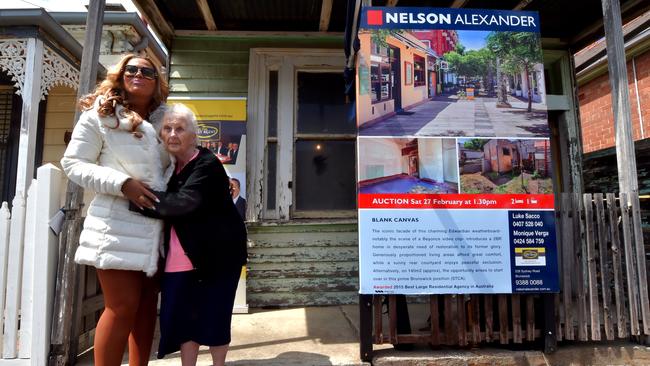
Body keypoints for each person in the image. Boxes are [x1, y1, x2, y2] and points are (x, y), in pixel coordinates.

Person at [61, 54, 170, 366]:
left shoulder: (166, 119)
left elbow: (180, 163)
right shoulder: (101, 114)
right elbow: (73, 163)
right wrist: (122, 183)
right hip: (117, 225)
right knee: (122, 306)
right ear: (120, 75)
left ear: (157, 80)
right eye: (130, 69)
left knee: (148, 306)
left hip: (157, 228)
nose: (138, 74)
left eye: (146, 71)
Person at [132, 103, 247, 366]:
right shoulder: (171, 169)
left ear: (193, 135)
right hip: (179, 257)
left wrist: (133, 198)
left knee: (216, 317)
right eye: (168, 129)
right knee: (184, 320)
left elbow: (184, 203)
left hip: (218, 256)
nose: (173, 134)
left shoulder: (207, 164)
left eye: (180, 129)